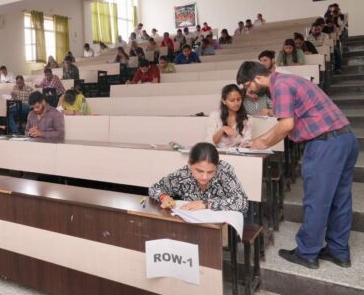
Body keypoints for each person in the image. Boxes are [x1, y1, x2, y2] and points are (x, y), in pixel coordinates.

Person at [236, 61, 358, 269]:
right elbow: (282, 124)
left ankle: (307, 252)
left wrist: (261, 144)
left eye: (248, 86)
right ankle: (338, 251)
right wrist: (258, 141)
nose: (249, 92)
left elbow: (286, 125)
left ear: (257, 78)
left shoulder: (280, 86)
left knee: (316, 201)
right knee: (340, 199)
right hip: (345, 139)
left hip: (324, 144)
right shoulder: (288, 80)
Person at [149, 142, 248, 212]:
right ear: (189, 165)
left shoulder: (224, 171)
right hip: (192, 225)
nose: (205, 177)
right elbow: (154, 188)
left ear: (217, 167)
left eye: (210, 172)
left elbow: (242, 202)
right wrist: (164, 197)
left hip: (221, 226)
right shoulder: (182, 174)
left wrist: (206, 204)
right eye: (199, 171)